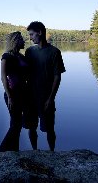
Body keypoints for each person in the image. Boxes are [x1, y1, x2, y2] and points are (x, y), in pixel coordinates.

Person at [25, 21, 66, 151]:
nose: (30, 38)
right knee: (31, 127)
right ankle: (34, 151)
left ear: (40, 33)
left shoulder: (54, 52)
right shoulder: (29, 51)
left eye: (32, 34)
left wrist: (50, 98)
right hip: (30, 97)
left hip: (46, 97)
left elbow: (57, 77)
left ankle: (52, 152)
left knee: (49, 129)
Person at [0, 31, 27, 152]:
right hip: (12, 94)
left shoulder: (20, 56)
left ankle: (14, 150)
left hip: (22, 93)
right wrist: (10, 96)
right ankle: (2, 150)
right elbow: (3, 77)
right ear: (15, 41)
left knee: (16, 123)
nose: (24, 41)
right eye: (21, 39)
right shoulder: (6, 56)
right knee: (17, 123)